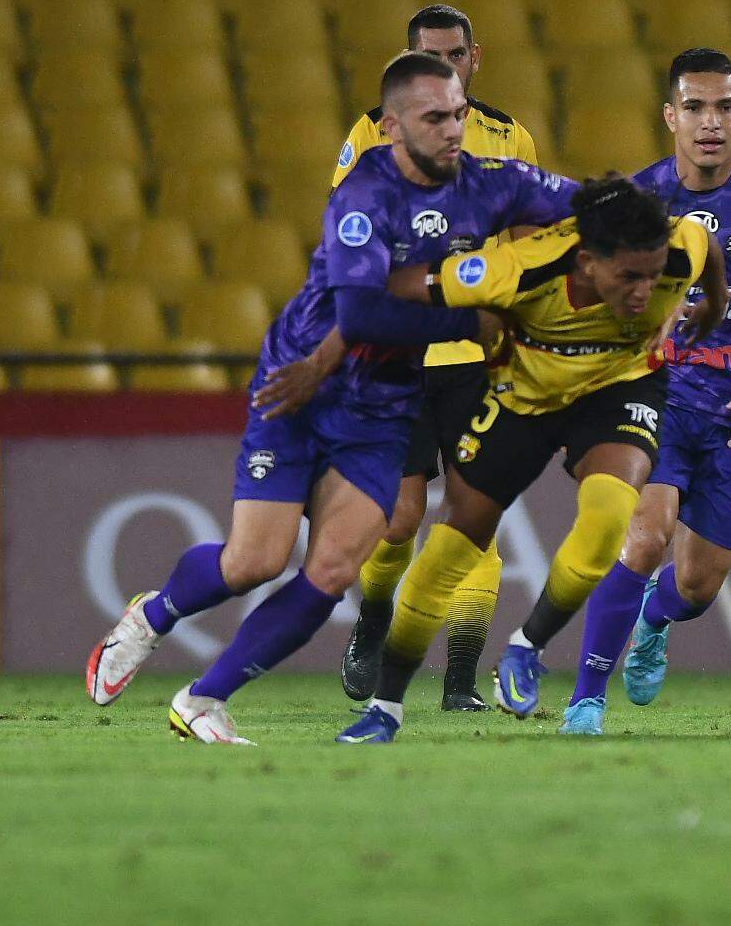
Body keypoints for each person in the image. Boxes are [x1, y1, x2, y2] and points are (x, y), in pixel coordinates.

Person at [83, 53, 579, 744]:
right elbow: (366, 315)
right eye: (434, 118)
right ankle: (154, 614)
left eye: (459, 115)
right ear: (392, 127)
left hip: (384, 404)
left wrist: (667, 218)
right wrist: (477, 321)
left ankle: (203, 699)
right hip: (304, 384)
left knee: (335, 567)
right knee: (253, 561)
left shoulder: (492, 184)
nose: (452, 131)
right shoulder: (364, 197)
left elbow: (587, 205)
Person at [336, 177, 728, 742]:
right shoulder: (519, 268)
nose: (646, 292)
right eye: (629, 277)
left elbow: (706, 247)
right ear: (588, 262)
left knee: (609, 515)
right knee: (452, 544)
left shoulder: (676, 248)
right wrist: (468, 322)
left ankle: (525, 649)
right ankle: (385, 709)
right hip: (523, 400)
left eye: (653, 274)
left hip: (618, 389)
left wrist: (711, 306)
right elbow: (402, 286)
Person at [559, 48, 731, 734]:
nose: (708, 122)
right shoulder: (642, 202)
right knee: (644, 536)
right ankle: (585, 700)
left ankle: (655, 618)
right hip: (659, 396)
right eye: (693, 107)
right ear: (669, 117)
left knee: (695, 585)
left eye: (722, 108)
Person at [328, 5, 542, 712]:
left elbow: (529, 241)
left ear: (474, 58)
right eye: (430, 57)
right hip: (399, 351)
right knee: (398, 519)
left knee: (475, 515)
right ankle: (374, 617)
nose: (445, 69)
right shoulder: (370, 132)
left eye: (455, 56)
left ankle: (458, 680)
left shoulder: (511, 139)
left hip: (479, 354)